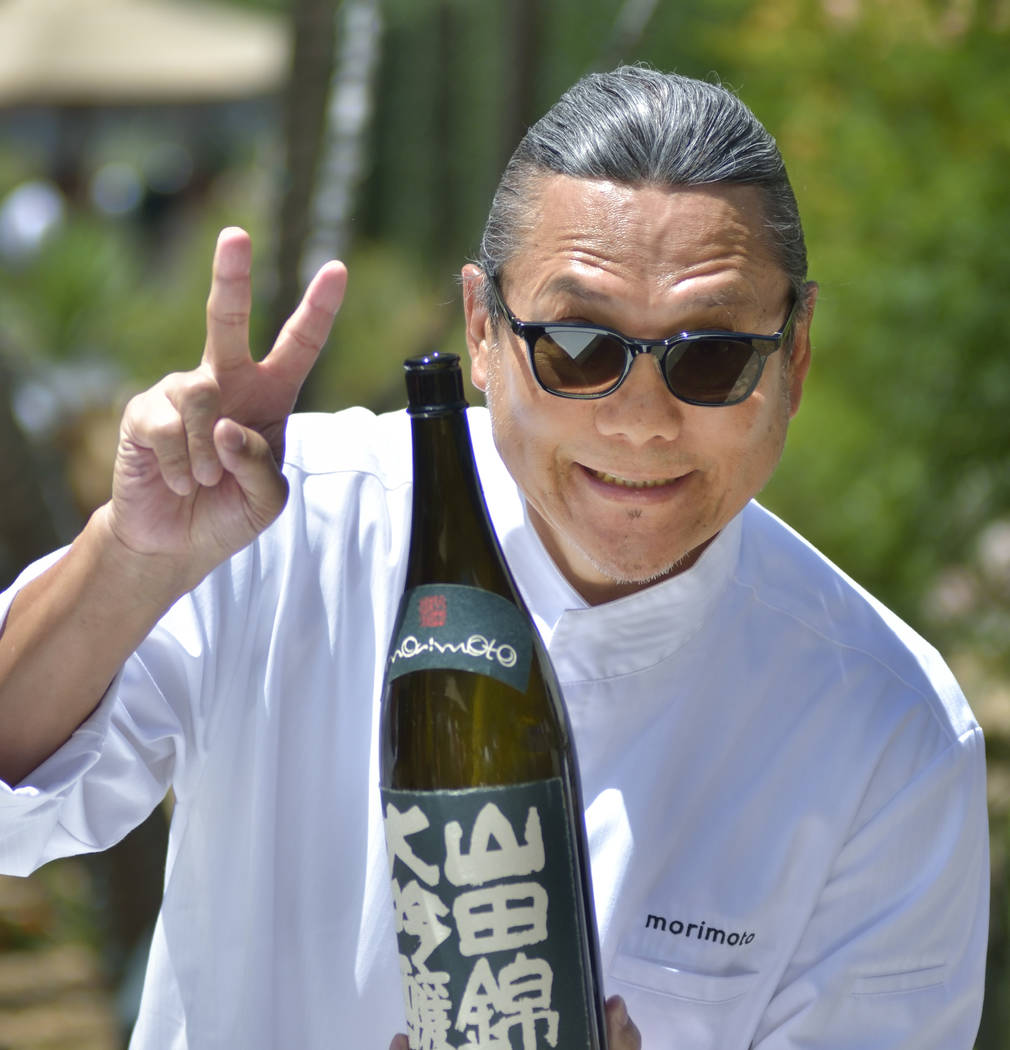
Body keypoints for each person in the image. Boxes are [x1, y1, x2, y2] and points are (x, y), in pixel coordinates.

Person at [0, 66, 988, 1050]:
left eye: (710, 355)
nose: (640, 422)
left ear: (795, 355)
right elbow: (17, 821)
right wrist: (129, 558)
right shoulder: (282, 518)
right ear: (481, 330)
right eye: (576, 345)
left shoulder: (884, 729)